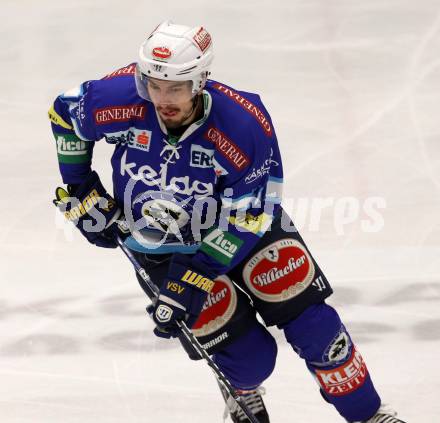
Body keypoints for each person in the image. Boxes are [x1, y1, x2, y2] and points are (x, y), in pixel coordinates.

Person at [50, 21, 406, 423]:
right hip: (157, 246)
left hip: (247, 230)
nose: (162, 99)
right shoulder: (116, 100)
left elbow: (250, 217)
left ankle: (369, 415)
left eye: (177, 87)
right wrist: (82, 189)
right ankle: (240, 386)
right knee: (249, 361)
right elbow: (64, 114)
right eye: (153, 84)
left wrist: (194, 277)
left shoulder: (242, 125)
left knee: (316, 329)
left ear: (201, 81)